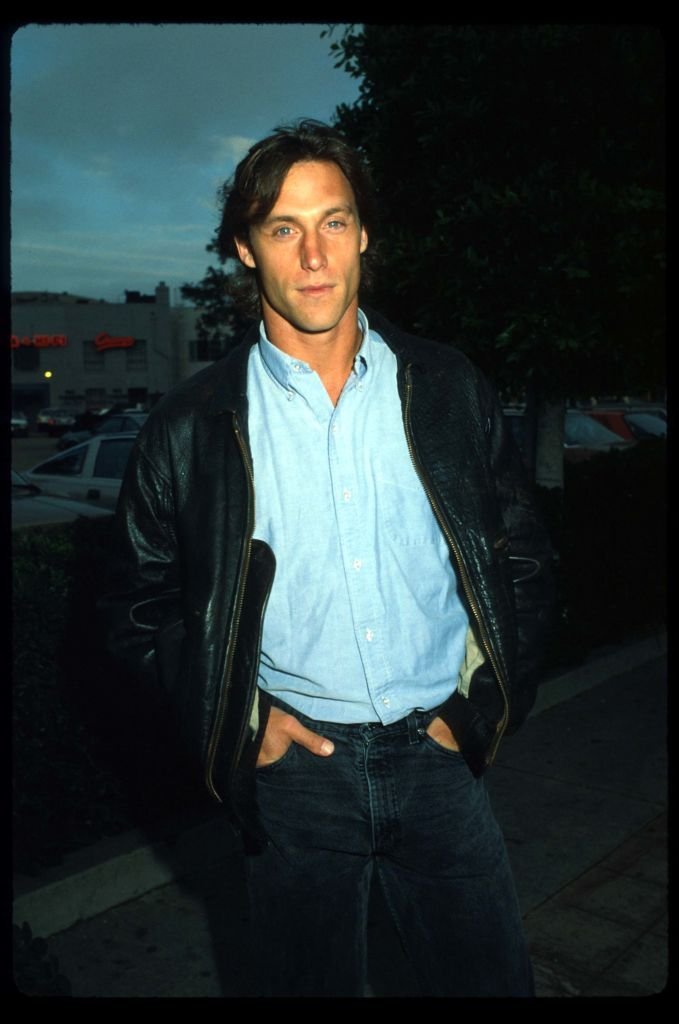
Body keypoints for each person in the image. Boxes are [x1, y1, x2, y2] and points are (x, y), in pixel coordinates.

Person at [104, 119, 554, 998]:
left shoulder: (449, 386)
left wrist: (484, 708)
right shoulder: (189, 426)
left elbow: (523, 557)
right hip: (296, 779)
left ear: (364, 234)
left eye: (334, 221)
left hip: (438, 758)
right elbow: (133, 606)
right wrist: (245, 724)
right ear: (244, 248)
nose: (313, 254)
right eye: (282, 228)